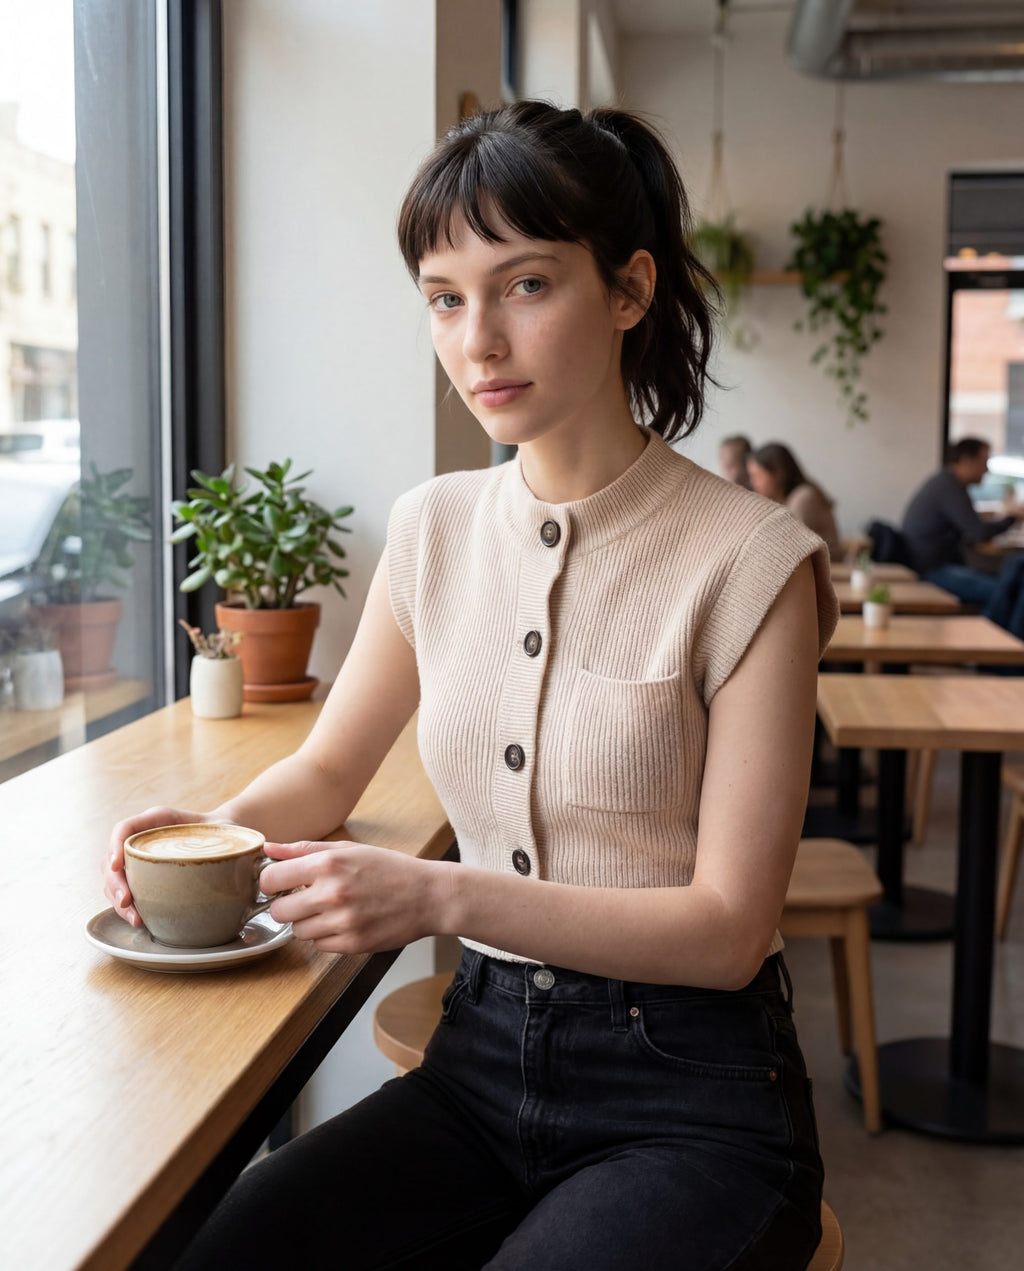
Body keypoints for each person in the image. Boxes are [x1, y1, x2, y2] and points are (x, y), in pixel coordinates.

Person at [103, 101, 838, 1270]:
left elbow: (727, 928)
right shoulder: (433, 527)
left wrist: (439, 897)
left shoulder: (750, 561)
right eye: (445, 297)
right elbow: (329, 770)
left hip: (692, 1102)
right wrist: (200, 839)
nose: (477, 341)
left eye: (527, 285)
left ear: (630, 289)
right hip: (479, 1067)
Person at [901, 437, 1024, 606]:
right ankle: (994, 631)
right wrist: (1012, 518)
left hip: (933, 565)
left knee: (1007, 581)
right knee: (1009, 591)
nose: (986, 470)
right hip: (932, 571)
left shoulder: (946, 482)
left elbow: (972, 529)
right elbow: (978, 533)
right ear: (966, 461)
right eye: (984, 462)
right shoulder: (949, 487)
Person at [748, 442, 843, 562]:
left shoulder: (803, 498)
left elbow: (788, 550)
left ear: (778, 474)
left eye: (757, 476)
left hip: (832, 574)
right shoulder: (789, 499)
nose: (753, 483)